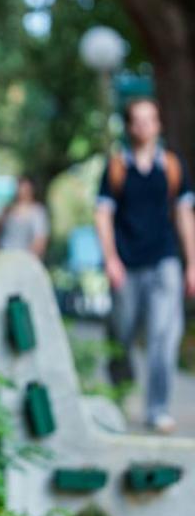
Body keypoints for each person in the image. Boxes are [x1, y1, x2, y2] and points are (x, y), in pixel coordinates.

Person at [94, 97, 195, 434]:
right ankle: (120, 398)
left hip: (164, 260)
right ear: (128, 126)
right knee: (120, 335)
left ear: (159, 125)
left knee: (163, 337)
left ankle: (157, 409)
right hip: (126, 264)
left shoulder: (171, 165)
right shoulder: (116, 168)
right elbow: (103, 215)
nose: (144, 126)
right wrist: (110, 259)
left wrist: (192, 262)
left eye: (150, 119)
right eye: (137, 120)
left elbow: (184, 215)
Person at [0, 177, 50, 258]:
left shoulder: (37, 212)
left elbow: (40, 239)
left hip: (25, 257)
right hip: (5, 255)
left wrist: (30, 258)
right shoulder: (8, 210)